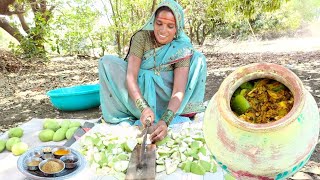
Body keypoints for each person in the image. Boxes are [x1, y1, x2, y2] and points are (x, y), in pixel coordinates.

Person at [98, 0, 207, 142]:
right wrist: (143, 108)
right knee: (106, 62)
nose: (163, 30)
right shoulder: (141, 38)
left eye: (170, 26)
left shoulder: (182, 47)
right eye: (159, 23)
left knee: (199, 58)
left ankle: (167, 114)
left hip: (166, 95)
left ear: (177, 29)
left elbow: (178, 90)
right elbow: (131, 77)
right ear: (153, 22)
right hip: (137, 93)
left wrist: (165, 121)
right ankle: (134, 113)